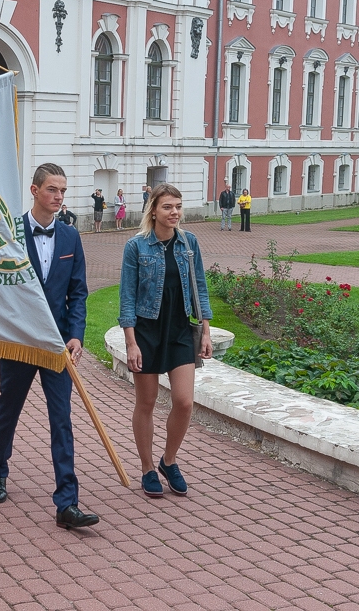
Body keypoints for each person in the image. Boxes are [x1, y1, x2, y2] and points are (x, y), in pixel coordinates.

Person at [0, 163, 99, 530]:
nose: (59, 197)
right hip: (19, 342)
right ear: (34, 191)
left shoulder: (70, 237)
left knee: (61, 419)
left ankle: (67, 502)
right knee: (9, 407)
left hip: (57, 346)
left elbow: (78, 292)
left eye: (63, 190)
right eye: (52, 189)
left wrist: (77, 334)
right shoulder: (10, 233)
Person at [118, 183, 212, 499]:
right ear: (154, 210)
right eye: (168, 207)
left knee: (184, 402)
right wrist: (130, 342)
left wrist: (206, 331)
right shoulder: (137, 247)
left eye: (178, 206)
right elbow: (127, 298)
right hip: (146, 331)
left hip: (180, 329)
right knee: (146, 402)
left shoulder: (189, 243)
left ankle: (168, 461)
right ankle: (147, 468)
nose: (174, 213)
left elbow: (200, 286)